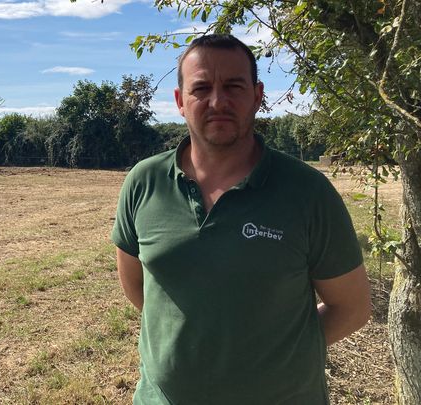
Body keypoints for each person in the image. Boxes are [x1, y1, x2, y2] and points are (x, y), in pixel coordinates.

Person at [111, 34, 371, 405]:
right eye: (201, 88)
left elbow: (352, 307)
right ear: (180, 101)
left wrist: (273, 355)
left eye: (234, 85)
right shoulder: (144, 182)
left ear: (257, 94)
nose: (218, 101)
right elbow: (139, 290)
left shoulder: (308, 192)